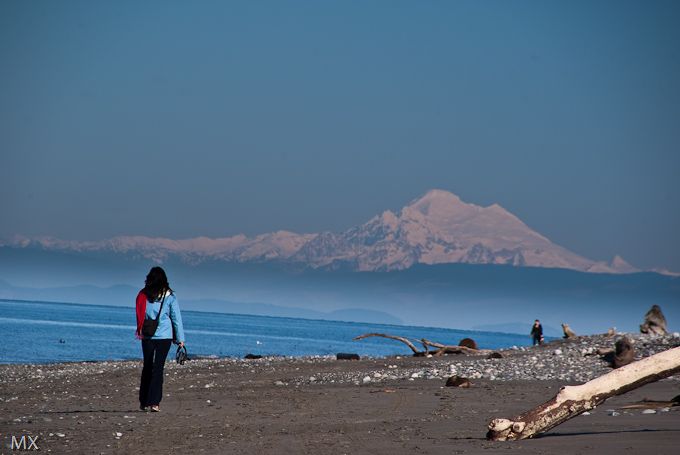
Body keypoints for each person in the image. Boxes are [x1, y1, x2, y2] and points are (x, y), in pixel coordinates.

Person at [135, 266, 185, 412]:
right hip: (164, 336)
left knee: (147, 367)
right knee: (158, 368)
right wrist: (180, 339)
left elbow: (140, 314)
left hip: (147, 335)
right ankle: (155, 403)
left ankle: (144, 401)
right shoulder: (170, 296)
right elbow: (176, 318)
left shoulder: (143, 295)